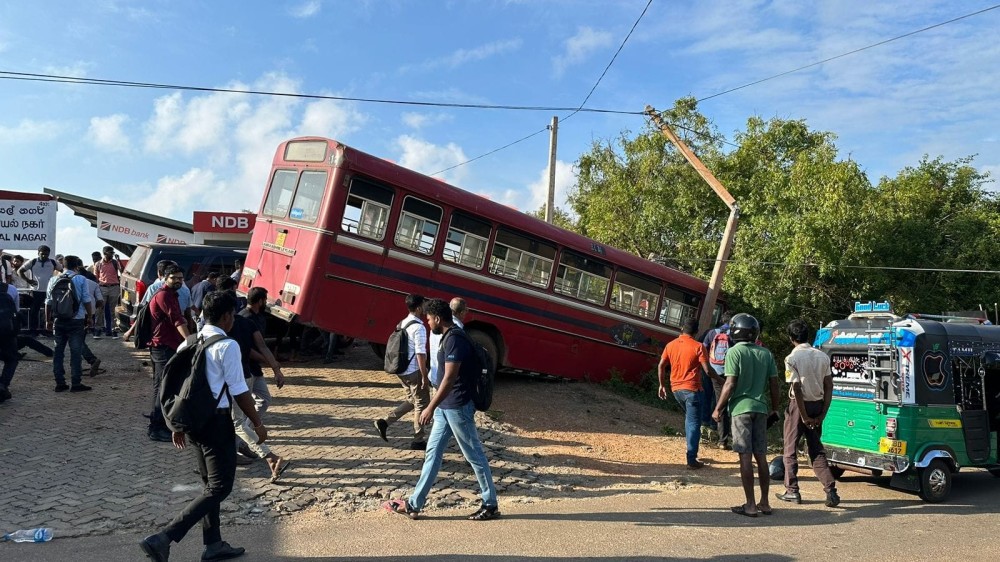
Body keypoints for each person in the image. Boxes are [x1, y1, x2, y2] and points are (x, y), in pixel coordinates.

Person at [140, 291, 262, 562]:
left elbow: (178, 385)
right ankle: (164, 537)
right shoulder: (227, 345)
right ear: (227, 316)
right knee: (220, 488)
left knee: (210, 486)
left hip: (194, 422)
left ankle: (214, 544)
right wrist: (257, 423)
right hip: (216, 423)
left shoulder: (189, 342)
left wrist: (177, 425)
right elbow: (239, 390)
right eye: (233, 315)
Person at [387, 298, 500, 521]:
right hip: (445, 408)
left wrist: (430, 407)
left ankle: (490, 504)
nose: (427, 323)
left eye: (429, 319)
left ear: (438, 318)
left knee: (474, 455)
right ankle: (414, 504)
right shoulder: (448, 336)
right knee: (432, 454)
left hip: (458, 407)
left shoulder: (455, 339)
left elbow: (449, 378)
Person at [712, 313, 780, 517]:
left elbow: (730, 383)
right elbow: (774, 384)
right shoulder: (766, 354)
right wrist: (775, 408)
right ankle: (765, 503)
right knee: (761, 456)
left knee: (745, 456)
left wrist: (718, 408)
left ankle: (750, 505)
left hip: (741, 409)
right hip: (761, 409)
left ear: (735, 332)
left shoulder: (734, 352)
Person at [225, 289, 289, 481]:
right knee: (236, 421)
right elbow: (258, 348)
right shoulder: (242, 320)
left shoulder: (235, 324)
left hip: (240, 376)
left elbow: (256, 348)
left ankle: (268, 456)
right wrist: (274, 367)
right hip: (244, 375)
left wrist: (275, 367)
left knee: (238, 421)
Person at [776, 319, 840, 508]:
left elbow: (796, 387)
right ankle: (830, 490)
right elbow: (829, 386)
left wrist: (803, 415)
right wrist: (822, 414)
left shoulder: (791, 358)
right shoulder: (822, 357)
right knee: (816, 449)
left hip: (799, 406)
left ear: (791, 338)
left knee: (790, 448)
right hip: (818, 404)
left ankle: (792, 490)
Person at [374, 294, 430, 450]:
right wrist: (424, 375)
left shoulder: (402, 323)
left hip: (401, 370)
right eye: (424, 305)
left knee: (412, 400)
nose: (425, 307)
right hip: (414, 371)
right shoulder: (419, 327)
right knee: (421, 404)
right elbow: (420, 353)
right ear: (418, 308)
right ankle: (418, 440)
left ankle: (385, 422)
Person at [658, 318, 713, 469]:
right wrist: (721, 380)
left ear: (682, 329)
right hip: (692, 390)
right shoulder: (699, 346)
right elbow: (708, 371)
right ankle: (691, 459)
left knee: (690, 420)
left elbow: (661, 365)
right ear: (696, 332)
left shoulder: (670, 345)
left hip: (676, 390)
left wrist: (662, 385)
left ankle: (691, 452)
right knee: (694, 422)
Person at [147, 265, 191, 442]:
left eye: (180, 278)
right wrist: (190, 341)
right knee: (162, 387)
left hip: (169, 345)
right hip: (162, 347)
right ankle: (156, 427)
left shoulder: (173, 294)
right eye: (174, 278)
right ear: (165, 278)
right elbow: (177, 320)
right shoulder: (164, 295)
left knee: (165, 386)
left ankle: (161, 424)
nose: (178, 281)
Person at [44, 255, 94, 393]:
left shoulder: (53, 279)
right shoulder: (81, 279)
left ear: (63, 265)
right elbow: (86, 299)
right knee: (76, 352)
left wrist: (47, 320)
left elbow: (48, 301)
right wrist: (90, 317)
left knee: (58, 352)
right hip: (76, 320)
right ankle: (76, 383)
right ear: (77, 266)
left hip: (58, 320)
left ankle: (60, 383)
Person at [702, 312, 733, 449]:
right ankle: (722, 436)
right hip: (729, 373)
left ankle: (708, 422)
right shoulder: (734, 335)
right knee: (724, 401)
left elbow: (703, 348)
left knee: (711, 396)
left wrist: (707, 367)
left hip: (712, 370)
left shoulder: (711, 333)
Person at [18, 244, 62, 336]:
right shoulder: (33, 261)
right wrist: (28, 280)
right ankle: (33, 330)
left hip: (49, 291)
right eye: (42, 254)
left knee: (49, 311)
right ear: (38, 253)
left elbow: (63, 270)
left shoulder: (53, 262)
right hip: (36, 291)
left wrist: (58, 281)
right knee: (34, 311)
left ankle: (48, 330)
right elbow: (20, 271)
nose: (44, 256)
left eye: (46, 254)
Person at [429, 297, 468, 389]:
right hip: (445, 383)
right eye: (466, 311)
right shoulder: (457, 329)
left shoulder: (436, 325)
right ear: (461, 312)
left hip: (434, 375)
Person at [94, 246, 123, 338]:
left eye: (113, 252)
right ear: (105, 253)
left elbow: (122, 271)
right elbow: (96, 277)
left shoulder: (115, 262)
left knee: (112, 310)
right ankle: (98, 329)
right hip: (102, 287)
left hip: (114, 287)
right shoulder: (98, 264)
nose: (112, 254)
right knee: (99, 309)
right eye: (110, 252)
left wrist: (118, 260)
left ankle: (113, 330)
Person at [0, 276, 20, 403]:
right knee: (12, 359)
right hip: (7, 331)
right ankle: (3, 384)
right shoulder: (11, 289)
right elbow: (16, 311)